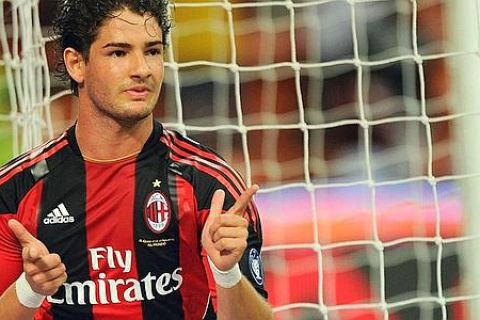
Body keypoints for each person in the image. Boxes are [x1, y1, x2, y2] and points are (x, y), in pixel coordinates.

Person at [0, 0, 273, 319]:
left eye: (153, 51)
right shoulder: (16, 190)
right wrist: (30, 290)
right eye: (119, 52)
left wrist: (227, 275)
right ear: (76, 64)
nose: (142, 69)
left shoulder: (208, 186)